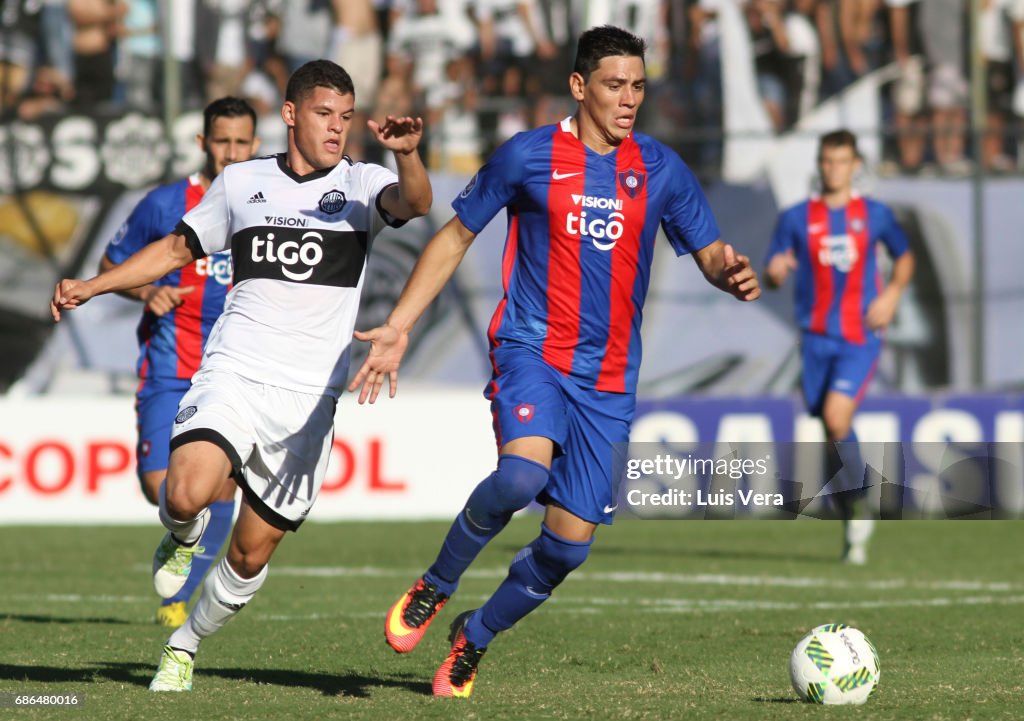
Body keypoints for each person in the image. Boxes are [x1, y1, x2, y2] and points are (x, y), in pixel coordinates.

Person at [348, 25, 761, 698]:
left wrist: (730, 271)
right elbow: (453, 238)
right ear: (578, 86)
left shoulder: (659, 168)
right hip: (531, 348)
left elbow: (711, 252)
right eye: (613, 85)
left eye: (638, 87)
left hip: (609, 380)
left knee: (568, 547)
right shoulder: (528, 157)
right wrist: (398, 324)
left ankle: (473, 635)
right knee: (518, 476)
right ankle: (435, 583)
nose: (628, 100)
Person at [51, 59, 432, 692]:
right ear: (290, 115)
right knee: (183, 493)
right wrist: (94, 285)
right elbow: (176, 250)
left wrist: (408, 156)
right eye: (322, 115)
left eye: (345, 117)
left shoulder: (365, 183)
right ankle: (180, 533)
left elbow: (414, 203)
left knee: (250, 554)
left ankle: (184, 642)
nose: (336, 129)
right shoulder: (242, 183)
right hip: (236, 370)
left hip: (309, 402)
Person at [101, 96, 260, 629]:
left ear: (255, 145)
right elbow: (110, 264)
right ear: (203, 143)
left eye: (241, 142)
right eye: (222, 142)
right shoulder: (166, 203)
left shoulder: (268, 203)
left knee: (218, 487)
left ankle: (179, 596)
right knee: (160, 487)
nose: (231, 153)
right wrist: (148, 292)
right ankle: (181, 543)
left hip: (233, 372)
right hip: (170, 367)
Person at [764, 128, 914, 564]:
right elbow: (774, 269)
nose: (833, 169)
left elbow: (904, 256)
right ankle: (853, 511)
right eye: (827, 161)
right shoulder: (795, 218)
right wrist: (775, 270)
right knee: (831, 431)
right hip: (814, 338)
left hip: (859, 336)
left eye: (842, 161)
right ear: (819, 164)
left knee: (836, 414)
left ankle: (862, 500)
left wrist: (891, 295)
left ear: (855, 166)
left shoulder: (875, 215)